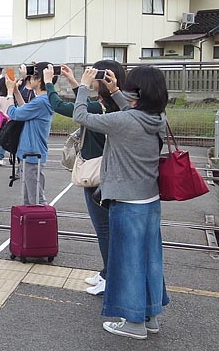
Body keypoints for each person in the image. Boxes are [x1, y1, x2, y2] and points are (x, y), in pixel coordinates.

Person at [73, 65, 169, 340]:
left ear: (137, 91)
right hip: (150, 200)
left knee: (127, 263)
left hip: (127, 203)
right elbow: (132, 112)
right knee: (149, 261)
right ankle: (150, 318)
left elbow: (81, 116)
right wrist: (114, 91)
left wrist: (83, 85)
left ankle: (133, 324)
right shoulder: (157, 118)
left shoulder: (123, 122)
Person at [46, 61, 128, 296]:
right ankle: (106, 272)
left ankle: (111, 277)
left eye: (96, 74)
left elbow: (60, 106)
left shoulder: (97, 109)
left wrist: (50, 82)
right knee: (109, 229)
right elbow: (85, 105)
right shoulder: (116, 106)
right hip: (110, 173)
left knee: (104, 229)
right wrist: (74, 83)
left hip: (96, 175)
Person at [4, 62, 56, 205]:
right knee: (28, 199)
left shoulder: (41, 101)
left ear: (39, 80)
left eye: (32, 76)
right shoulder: (43, 100)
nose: (29, 79)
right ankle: (30, 226)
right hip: (31, 153)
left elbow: (14, 113)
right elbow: (25, 109)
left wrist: (9, 93)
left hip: (32, 154)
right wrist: (15, 91)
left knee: (36, 199)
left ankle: (41, 225)